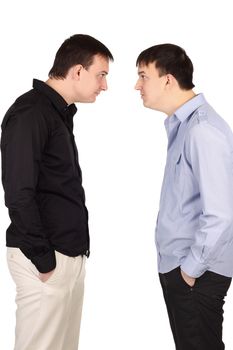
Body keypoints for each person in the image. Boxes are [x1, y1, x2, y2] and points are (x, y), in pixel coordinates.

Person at [1, 34, 113, 350]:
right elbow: (19, 192)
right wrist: (45, 261)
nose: (104, 86)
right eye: (101, 75)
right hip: (45, 260)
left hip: (66, 256)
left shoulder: (58, 112)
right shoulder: (31, 112)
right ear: (77, 71)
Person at [135, 43, 233, 350]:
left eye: (143, 75)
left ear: (167, 79)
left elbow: (221, 214)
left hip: (196, 276)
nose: (137, 85)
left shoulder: (202, 130)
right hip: (185, 272)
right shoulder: (185, 126)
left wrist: (189, 271)